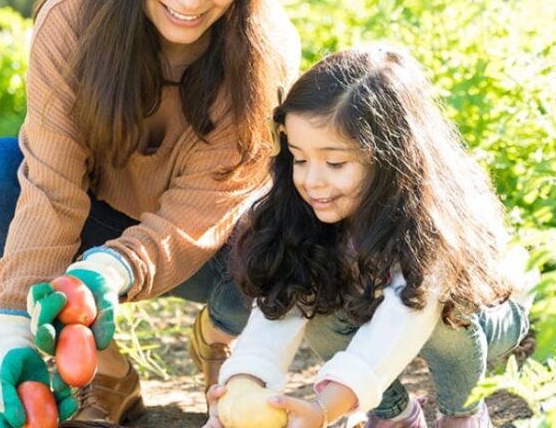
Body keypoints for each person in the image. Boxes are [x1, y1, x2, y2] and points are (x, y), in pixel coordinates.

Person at [0, 0, 320, 426]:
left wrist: (112, 269)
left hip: (213, 248)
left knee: (294, 226)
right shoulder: (73, 21)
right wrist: (11, 322)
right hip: (96, 223)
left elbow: (206, 205)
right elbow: (52, 186)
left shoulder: (261, 48)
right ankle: (103, 370)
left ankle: (224, 338)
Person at [204, 48, 536, 428]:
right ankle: (394, 414)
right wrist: (245, 383)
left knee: (447, 317)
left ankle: (462, 411)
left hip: (482, 317)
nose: (312, 181)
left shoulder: (430, 226)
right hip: (376, 306)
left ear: (390, 158)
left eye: (335, 163)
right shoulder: (305, 216)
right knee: (320, 314)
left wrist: (326, 408)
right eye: (299, 158)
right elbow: (279, 310)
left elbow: (403, 319)